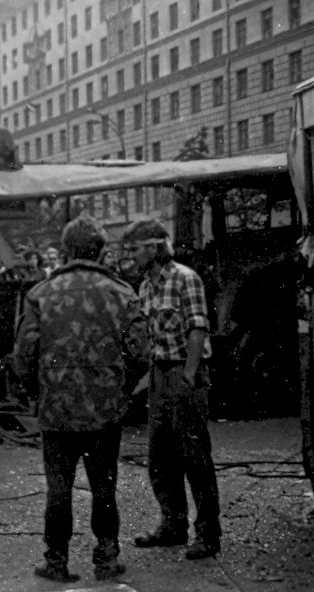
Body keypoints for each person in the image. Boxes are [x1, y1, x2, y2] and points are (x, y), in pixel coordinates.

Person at [13, 215, 148, 582]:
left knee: (59, 488)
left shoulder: (41, 293)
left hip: (56, 407)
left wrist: (35, 393)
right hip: (105, 409)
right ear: (101, 250)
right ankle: (106, 557)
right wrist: (121, 388)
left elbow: (23, 355)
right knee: (104, 485)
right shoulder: (122, 292)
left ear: (66, 249)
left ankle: (56, 561)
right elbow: (140, 353)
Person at [122, 219, 221, 560]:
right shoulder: (146, 286)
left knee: (194, 455)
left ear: (153, 247)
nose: (131, 256)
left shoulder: (184, 278)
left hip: (183, 368)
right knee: (160, 456)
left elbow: (198, 328)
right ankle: (173, 525)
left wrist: (190, 374)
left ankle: (208, 533)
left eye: (135, 249)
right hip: (160, 372)